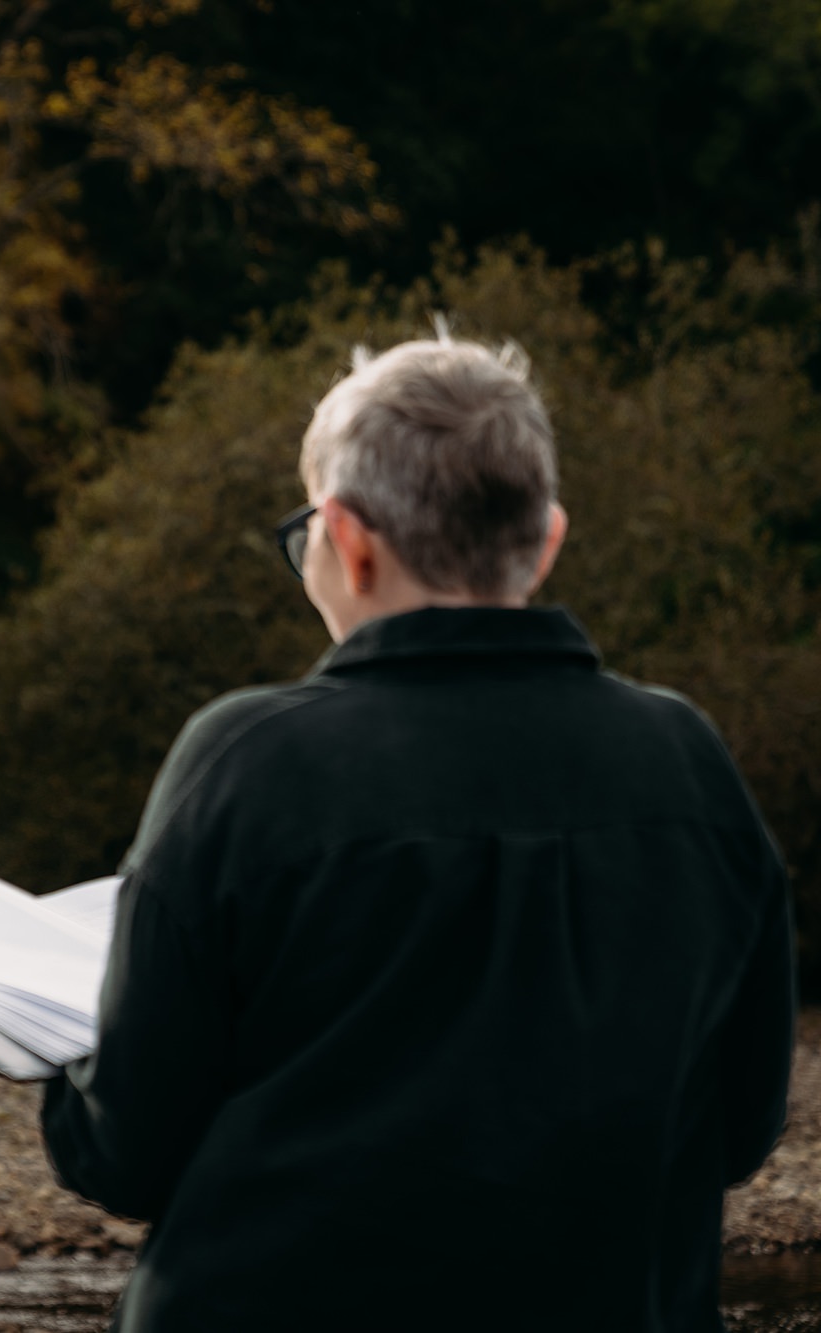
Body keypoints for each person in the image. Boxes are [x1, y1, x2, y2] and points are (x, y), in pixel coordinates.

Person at [41, 337, 794, 1330]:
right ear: (548, 537)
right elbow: (739, 1129)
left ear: (347, 540)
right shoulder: (685, 764)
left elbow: (123, 1153)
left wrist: (60, 1062)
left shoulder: (245, 761)